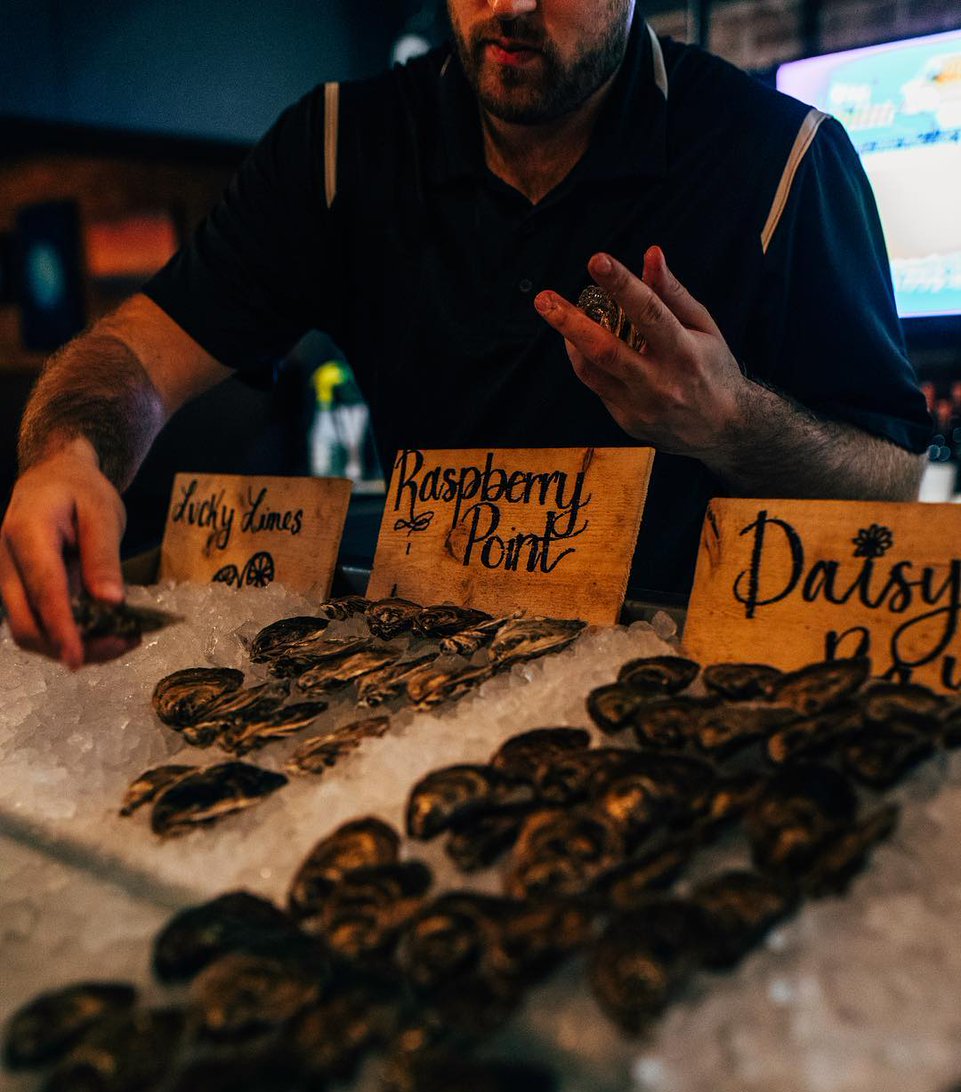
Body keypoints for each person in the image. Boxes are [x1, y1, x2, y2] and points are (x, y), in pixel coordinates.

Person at [0, 0, 932, 668]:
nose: (511, 5)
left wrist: (726, 422)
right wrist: (69, 458)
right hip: (416, 679)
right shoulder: (337, 144)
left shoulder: (781, 157)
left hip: (686, 687)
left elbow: (890, 483)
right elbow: (135, 352)